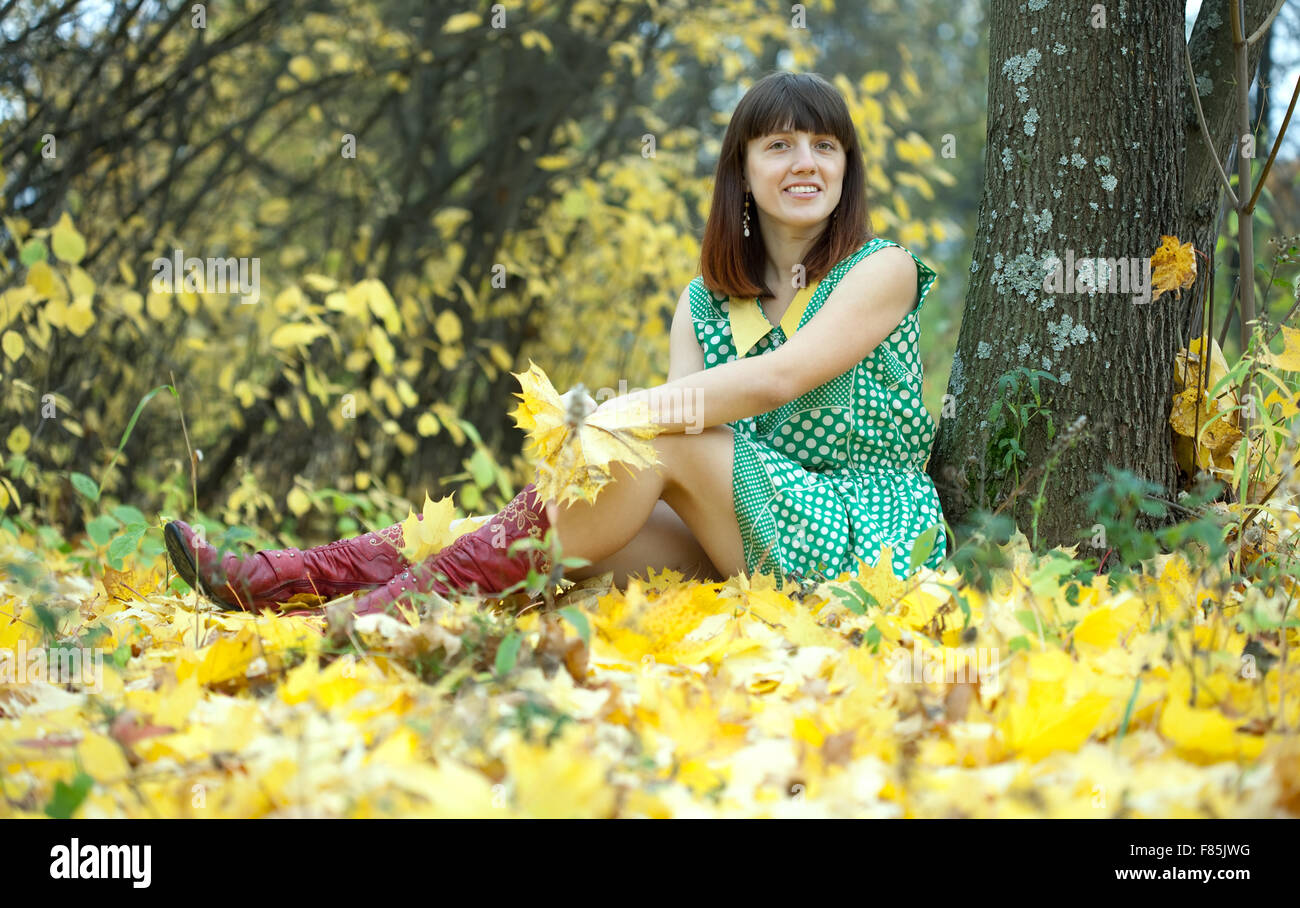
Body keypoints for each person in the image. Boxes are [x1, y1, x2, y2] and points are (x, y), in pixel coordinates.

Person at [164, 70, 947, 619]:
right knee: (545, 545)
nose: (805, 163)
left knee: (644, 440)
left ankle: (391, 611)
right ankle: (282, 581)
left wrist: (624, 413)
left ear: (848, 165)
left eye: (824, 146)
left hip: (867, 543)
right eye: (779, 146)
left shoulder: (880, 271)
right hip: (739, 535)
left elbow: (777, 380)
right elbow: (676, 449)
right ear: (741, 171)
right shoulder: (704, 302)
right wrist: (621, 431)